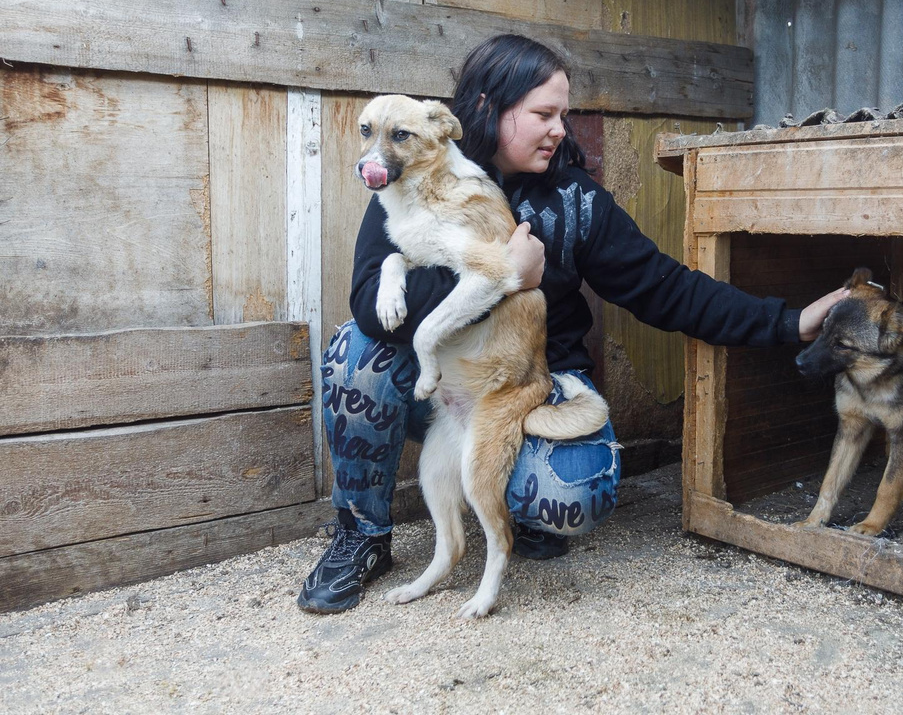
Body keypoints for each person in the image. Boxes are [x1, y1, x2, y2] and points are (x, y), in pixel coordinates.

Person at [297, 34, 847, 613]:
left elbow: (665, 289)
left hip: (528, 385)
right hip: (438, 383)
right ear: (488, 107)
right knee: (356, 352)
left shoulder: (576, 201)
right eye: (543, 114)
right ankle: (362, 532)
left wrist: (789, 322)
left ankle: (519, 503)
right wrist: (512, 273)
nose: (561, 129)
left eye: (564, 114)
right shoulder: (407, 172)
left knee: (576, 493)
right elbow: (369, 303)